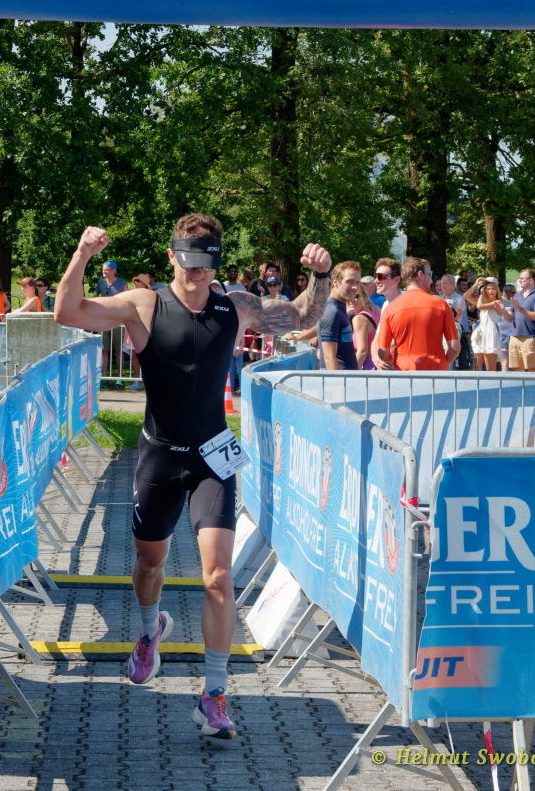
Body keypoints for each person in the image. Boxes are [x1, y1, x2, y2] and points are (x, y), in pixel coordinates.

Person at [55, 213, 330, 740]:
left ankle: (214, 695)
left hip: (212, 459)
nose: (198, 270)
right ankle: (149, 631)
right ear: (172, 256)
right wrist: (83, 254)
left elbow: (297, 316)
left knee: (218, 578)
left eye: (208, 260)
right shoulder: (144, 305)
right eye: (189, 258)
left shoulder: (236, 306)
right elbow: (68, 312)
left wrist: (319, 276)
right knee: (148, 564)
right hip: (159, 459)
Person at [377, 257, 459, 371]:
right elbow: (454, 348)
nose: (431, 281)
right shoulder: (441, 305)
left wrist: (394, 360)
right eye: (430, 274)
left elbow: (383, 352)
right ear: (421, 275)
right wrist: (445, 363)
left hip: (404, 371)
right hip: (435, 370)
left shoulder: (390, 309)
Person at [504, 269, 535, 372]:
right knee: (517, 369)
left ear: (531, 280)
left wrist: (519, 309)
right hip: (514, 337)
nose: (520, 280)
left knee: (531, 369)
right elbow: (510, 318)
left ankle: (532, 384)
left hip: (530, 338)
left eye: (522, 278)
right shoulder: (517, 295)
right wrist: (502, 311)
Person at [318, 262, 360, 370]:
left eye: (357, 282)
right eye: (349, 281)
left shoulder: (339, 307)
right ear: (335, 282)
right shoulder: (332, 311)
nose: (355, 287)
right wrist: (340, 381)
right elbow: (329, 358)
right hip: (339, 379)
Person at [463, 277, 504, 372]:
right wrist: (476, 284)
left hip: (491, 333)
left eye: (493, 289)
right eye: (488, 289)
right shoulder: (483, 301)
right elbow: (466, 296)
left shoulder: (498, 302)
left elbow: (480, 306)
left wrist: (481, 295)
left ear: (497, 290)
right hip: (481, 332)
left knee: (490, 367)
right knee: (478, 364)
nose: (490, 291)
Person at [371, 258, 402, 370]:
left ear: (396, 280)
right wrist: (375, 357)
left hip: (403, 370)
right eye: (376, 276)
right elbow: (377, 337)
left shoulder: (405, 302)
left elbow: (397, 342)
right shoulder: (386, 304)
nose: (376, 281)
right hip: (389, 369)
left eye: (381, 276)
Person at [347, 283, 379, 370]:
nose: (352, 299)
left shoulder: (359, 319)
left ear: (365, 298)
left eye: (357, 296)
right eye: (348, 295)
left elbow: (362, 352)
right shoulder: (374, 313)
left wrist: (350, 374)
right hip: (376, 366)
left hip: (367, 368)